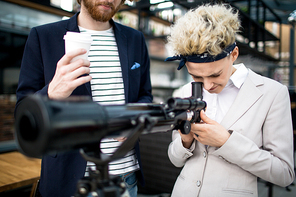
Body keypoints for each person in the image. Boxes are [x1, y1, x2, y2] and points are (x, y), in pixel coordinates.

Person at [15, 0, 152, 196]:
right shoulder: (44, 36)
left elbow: (145, 96)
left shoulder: (135, 39)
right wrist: (52, 93)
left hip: (125, 178)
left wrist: (134, 117)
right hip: (68, 182)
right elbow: (22, 114)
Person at [166, 4, 295, 197]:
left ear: (234, 54)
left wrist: (226, 142)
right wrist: (185, 140)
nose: (207, 86)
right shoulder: (183, 92)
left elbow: (284, 173)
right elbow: (175, 160)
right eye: (197, 77)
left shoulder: (273, 93)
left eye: (215, 74)